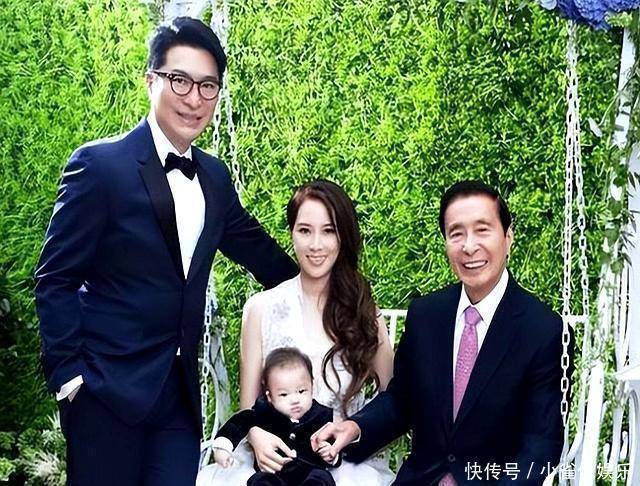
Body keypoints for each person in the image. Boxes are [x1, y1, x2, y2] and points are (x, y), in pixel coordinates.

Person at [34, 17, 297, 486]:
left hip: (177, 398)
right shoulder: (99, 166)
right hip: (104, 393)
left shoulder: (215, 177)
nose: (194, 99)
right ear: (151, 80)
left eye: (208, 86)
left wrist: (330, 289)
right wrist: (69, 377)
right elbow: (56, 277)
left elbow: (259, 252)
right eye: (180, 80)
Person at [312, 180, 571, 485]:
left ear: (508, 237)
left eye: (482, 230)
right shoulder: (426, 315)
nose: (469, 246)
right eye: (456, 233)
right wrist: (356, 428)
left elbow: (540, 447)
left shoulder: (543, 331)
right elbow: (402, 401)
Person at [199, 180, 395, 485]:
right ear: (291, 232)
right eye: (305, 230)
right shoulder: (261, 308)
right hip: (272, 463)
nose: (315, 245)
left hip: (340, 463)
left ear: (343, 236)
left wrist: (353, 432)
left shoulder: (364, 312)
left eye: (328, 231)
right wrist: (257, 437)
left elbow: (394, 398)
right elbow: (248, 407)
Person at [213, 347, 338, 485]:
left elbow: (335, 442)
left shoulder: (321, 415)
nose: (295, 399)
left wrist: (332, 454)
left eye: (302, 391)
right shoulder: (264, 413)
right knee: (259, 480)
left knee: (322, 477)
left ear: (312, 387)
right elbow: (239, 422)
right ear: (270, 396)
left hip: (309, 471)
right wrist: (223, 446)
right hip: (272, 472)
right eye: (284, 394)